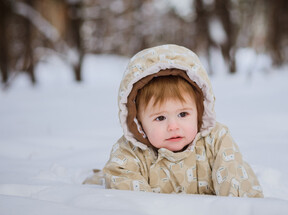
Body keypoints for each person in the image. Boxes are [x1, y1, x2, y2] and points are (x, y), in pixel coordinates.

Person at [94, 44, 263, 197]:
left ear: (199, 110)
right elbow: (131, 201)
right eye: (160, 118)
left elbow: (236, 183)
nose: (173, 126)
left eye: (183, 114)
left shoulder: (217, 141)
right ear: (137, 121)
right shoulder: (130, 154)